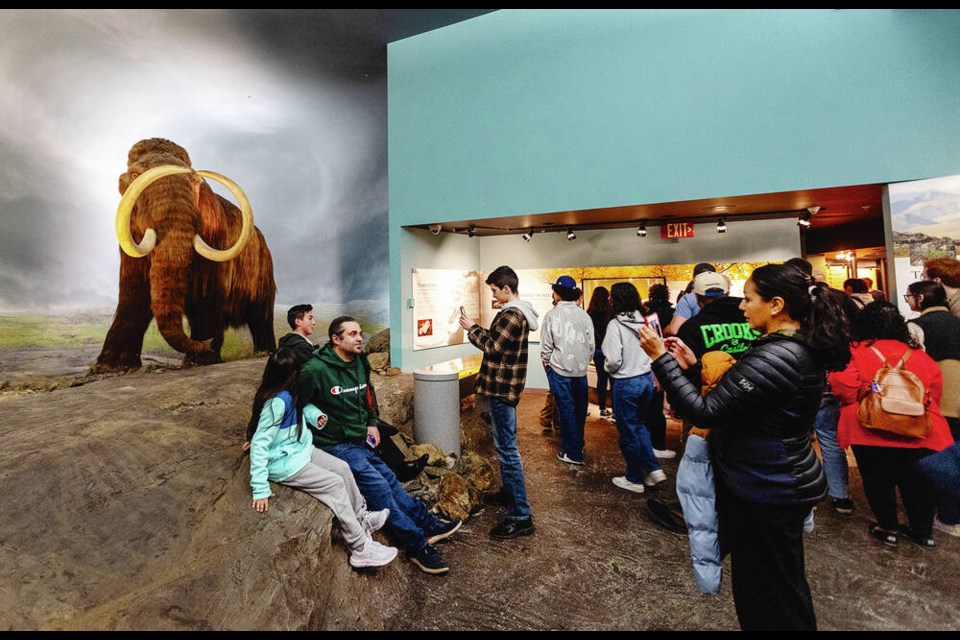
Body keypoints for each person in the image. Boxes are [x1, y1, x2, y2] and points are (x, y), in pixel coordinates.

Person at [639, 263, 851, 631]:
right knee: (777, 586)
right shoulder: (781, 349)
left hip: (768, 489)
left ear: (776, 305)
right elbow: (735, 401)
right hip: (766, 482)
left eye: (749, 298)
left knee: (769, 595)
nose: (741, 306)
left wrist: (661, 360)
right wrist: (690, 369)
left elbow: (705, 412)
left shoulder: (780, 354)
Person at [301, 317, 461, 575]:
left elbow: (368, 395)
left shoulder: (359, 361)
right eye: (352, 334)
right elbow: (293, 400)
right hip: (334, 445)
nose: (359, 337)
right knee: (379, 489)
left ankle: (426, 524)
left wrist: (372, 422)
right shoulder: (314, 370)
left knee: (389, 479)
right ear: (335, 339)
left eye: (359, 333)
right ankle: (417, 545)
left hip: (360, 440)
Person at [248, 348, 398, 569]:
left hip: (300, 449)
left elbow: (302, 406)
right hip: (284, 462)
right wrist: (259, 486)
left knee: (342, 468)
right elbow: (260, 443)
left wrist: (315, 415)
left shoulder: (292, 393)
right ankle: (359, 547)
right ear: (292, 375)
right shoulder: (276, 403)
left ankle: (361, 517)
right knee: (334, 484)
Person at [828, 301, 954, 548]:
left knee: (877, 479)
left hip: (868, 428)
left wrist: (866, 393)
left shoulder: (854, 350)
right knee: (917, 482)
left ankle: (888, 528)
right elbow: (934, 390)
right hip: (917, 429)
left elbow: (842, 385)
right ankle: (923, 532)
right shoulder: (918, 354)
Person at [278, 303, 428, 483]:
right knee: (369, 427)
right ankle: (398, 468)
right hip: (324, 412)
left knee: (373, 424)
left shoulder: (301, 346)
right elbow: (295, 392)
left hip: (330, 403)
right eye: (310, 318)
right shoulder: (303, 354)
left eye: (359, 333)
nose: (314, 322)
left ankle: (397, 465)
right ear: (298, 321)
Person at [459, 265, 540, 539]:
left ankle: (520, 515)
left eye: (494, 290)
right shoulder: (517, 314)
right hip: (505, 389)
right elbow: (497, 343)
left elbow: (493, 346)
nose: (493, 294)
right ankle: (510, 493)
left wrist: (472, 329)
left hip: (502, 390)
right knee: (506, 445)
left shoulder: (512, 315)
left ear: (507, 289)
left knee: (507, 450)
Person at [905, 281, 960, 537]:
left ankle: (948, 516)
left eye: (909, 296)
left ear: (920, 298)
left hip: (934, 405)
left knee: (936, 462)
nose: (907, 301)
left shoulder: (916, 328)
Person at [602, 282, 664, 493]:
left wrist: (609, 368)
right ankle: (653, 469)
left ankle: (634, 478)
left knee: (628, 431)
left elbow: (612, 360)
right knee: (640, 426)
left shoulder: (615, 325)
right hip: (646, 380)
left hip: (625, 383)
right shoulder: (645, 321)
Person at [541, 275, 595, 465]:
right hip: (580, 372)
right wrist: (583, 362)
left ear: (556, 293)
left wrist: (548, 365)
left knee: (566, 410)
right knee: (580, 410)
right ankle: (577, 444)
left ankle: (573, 453)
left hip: (559, 370)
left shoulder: (551, 316)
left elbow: (546, 347)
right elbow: (591, 346)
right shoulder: (584, 315)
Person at [643, 284, 675, 457]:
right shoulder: (672, 313)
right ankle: (659, 445)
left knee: (653, 405)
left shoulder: (647, 314)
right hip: (671, 358)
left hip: (651, 362)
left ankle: (652, 442)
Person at [665, 262, 716, 337]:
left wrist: (666, 330)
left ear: (693, 279)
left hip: (695, 346)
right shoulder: (725, 299)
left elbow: (674, 330)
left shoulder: (688, 299)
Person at [587, 286, 614, 419]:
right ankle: (615, 410)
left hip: (597, 349)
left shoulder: (589, 313)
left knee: (601, 379)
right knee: (613, 379)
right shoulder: (610, 311)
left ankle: (602, 409)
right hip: (610, 348)